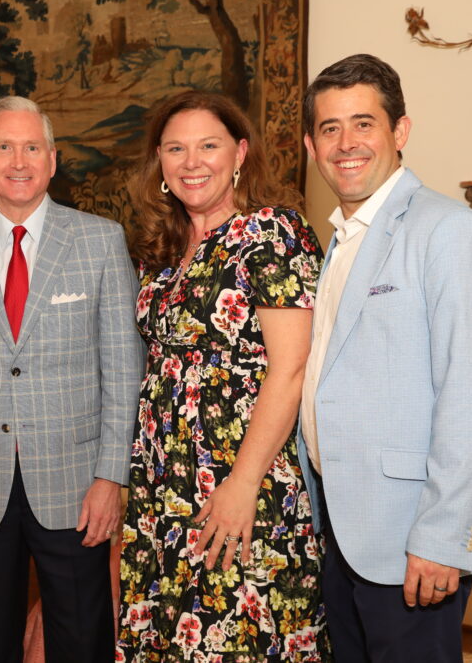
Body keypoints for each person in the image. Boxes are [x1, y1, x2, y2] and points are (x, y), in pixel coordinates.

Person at [299, 53, 472, 662]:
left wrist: (443, 537)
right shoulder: (339, 242)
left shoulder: (449, 231)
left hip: (412, 539)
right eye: (330, 128)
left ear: (400, 132)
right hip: (343, 530)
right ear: (312, 146)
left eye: (364, 124)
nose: (346, 144)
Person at [0, 95, 145, 663]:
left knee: (81, 637)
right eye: (4, 147)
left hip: (75, 483)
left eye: (32, 147)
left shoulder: (100, 241)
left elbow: (123, 371)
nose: (18, 161)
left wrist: (110, 477)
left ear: (52, 159)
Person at [117, 90, 329, 661]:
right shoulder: (160, 249)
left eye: (208, 145)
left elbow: (291, 369)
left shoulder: (272, 233)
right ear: (159, 163)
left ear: (239, 153)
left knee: (241, 637)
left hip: (241, 481)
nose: (192, 162)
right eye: (176, 149)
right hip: (164, 485)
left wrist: (242, 483)